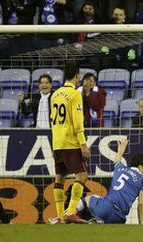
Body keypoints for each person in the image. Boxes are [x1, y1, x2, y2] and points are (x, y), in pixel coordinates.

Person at [69, 140, 143, 224]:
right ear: (140, 166)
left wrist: (121, 150)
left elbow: (117, 159)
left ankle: (67, 215)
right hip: (119, 218)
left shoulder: (120, 168)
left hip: (104, 207)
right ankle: (94, 222)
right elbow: (140, 204)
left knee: (88, 199)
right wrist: (141, 224)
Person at [50, 62, 91, 224]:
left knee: (59, 178)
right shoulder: (75, 94)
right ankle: (71, 211)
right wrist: (83, 144)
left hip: (57, 142)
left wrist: (55, 144)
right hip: (71, 142)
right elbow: (77, 121)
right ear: (77, 76)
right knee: (82, 175)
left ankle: (60, 217)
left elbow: (52, 121)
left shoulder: (55, 94)